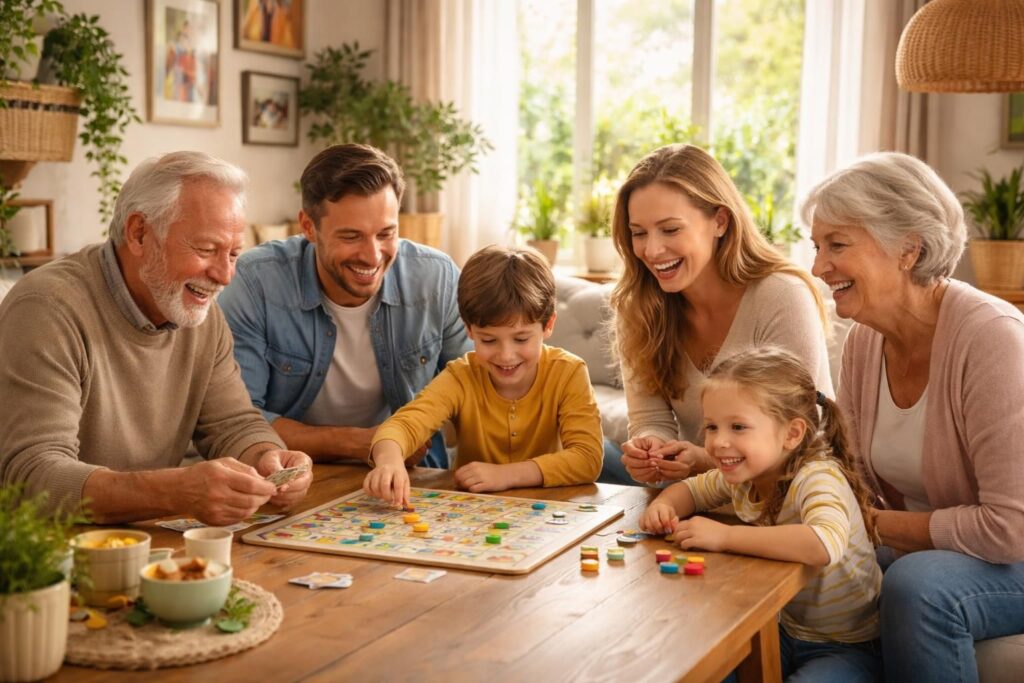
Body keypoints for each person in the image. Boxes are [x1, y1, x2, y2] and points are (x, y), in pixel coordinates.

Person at [803, 151, 1024, 682]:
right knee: (809, 571)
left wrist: (875, 528)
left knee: (917, 586)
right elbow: (849, 478)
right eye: (816, 246)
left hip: (1010, 556)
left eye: (837, 245)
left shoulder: (992, 339)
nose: (816, 267)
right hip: (931, 548)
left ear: (909, 249)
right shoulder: (863, 342)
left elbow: (1012, 527)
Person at [0, 152, 312, 526]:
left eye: (232, 254)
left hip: (146, 543)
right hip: (49, 549)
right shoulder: (47, 308)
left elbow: (233, 425)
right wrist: (173, 491)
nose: (225, 276)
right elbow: (32, 476)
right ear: (139, 233)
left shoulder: (201, 313)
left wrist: (268, 459)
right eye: (207, 249)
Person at [219, 144, 471, 469]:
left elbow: (479, 391)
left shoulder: (437, 278)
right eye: (351, 236)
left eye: (386, 233)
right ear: (308, 227)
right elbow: (238, 421)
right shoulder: (255, 283)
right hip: (291, 475)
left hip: (412, 474)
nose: (372, 255)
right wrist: (362, 443)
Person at [641, 347, 882, 681]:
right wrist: (663, 506)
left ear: (792, 434)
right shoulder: (746, 472)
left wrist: (725, 536)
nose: (719, 442)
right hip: (782, 628)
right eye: (712, 427)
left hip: (847, 646)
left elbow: (823, 543)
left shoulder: (817, 476)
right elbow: (692, 490)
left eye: (738, 427)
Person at [608, 144, 832, 486]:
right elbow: (650, 418)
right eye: (639, 233)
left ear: (720, 221)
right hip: (697, 497)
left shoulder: (781, 295)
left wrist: (704, 460)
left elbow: (797, 438)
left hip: (790, 501)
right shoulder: (637, 306)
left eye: (670, 230)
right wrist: (652, 450)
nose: (651, 250)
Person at [363, 245, 603, 507]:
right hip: (471, 517)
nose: (506, 355)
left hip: (550, 513)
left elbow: (587, 458)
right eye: (488, 340)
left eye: (521, 338)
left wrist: (506, 475)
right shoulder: (460, 376)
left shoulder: (569, 372)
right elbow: (403, 425)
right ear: (469, 330)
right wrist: (389, 461)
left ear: (548, 325)